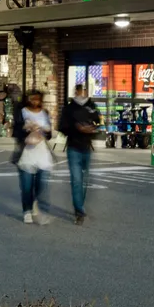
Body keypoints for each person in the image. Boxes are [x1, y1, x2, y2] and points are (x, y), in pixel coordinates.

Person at [59, 84, 101, 225]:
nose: (82, 93)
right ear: (76, 91)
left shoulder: (91, 106)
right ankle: (79, 211)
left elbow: (98, 121)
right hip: (73, 147)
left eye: (84, 90)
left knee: (83, 180)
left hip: (86, 147)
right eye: (80, 90)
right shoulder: (69, 108)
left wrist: (93, 128)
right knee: (77, 180)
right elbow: (62, 127)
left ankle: (79, 206)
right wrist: (77, 128)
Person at [12, 90, 54, 224]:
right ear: (27, 99)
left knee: (41, 184)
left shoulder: (44, 113)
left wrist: (44, 131)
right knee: (26, 186)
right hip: (26, 153)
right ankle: (27, 211)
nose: (35, 101)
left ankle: (36, 203)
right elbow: (16, 132)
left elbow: (49, 134)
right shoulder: (22, 112)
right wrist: (27, 129)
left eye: (37, 99)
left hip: (42, 154)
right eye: (32, 98)